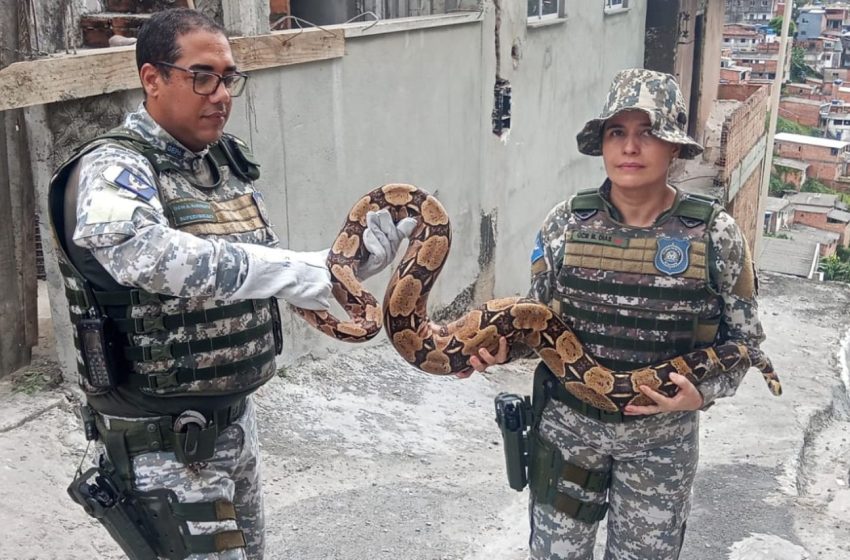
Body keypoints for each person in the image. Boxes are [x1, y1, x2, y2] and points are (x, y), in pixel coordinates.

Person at [48, 9, 412, 559]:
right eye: (202, 76)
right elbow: (140, 255)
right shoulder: (114, 166)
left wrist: (351, 267)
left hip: (233, 425)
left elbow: (258, 270)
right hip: (165, 443)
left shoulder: (219, 164)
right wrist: (294, 271)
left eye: (229, 78)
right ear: (152, 78)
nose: (221, 93)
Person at [469, 68, 764, 559]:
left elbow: (746, 344)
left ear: (674, 148)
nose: (630, 147)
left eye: (648, 132)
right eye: (617, 132)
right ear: (602, 144)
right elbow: (536, 321)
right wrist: (497, 351)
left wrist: (702, 393)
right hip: (568, 430)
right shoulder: (565, 224)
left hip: (661, 445)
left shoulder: (716, 235)